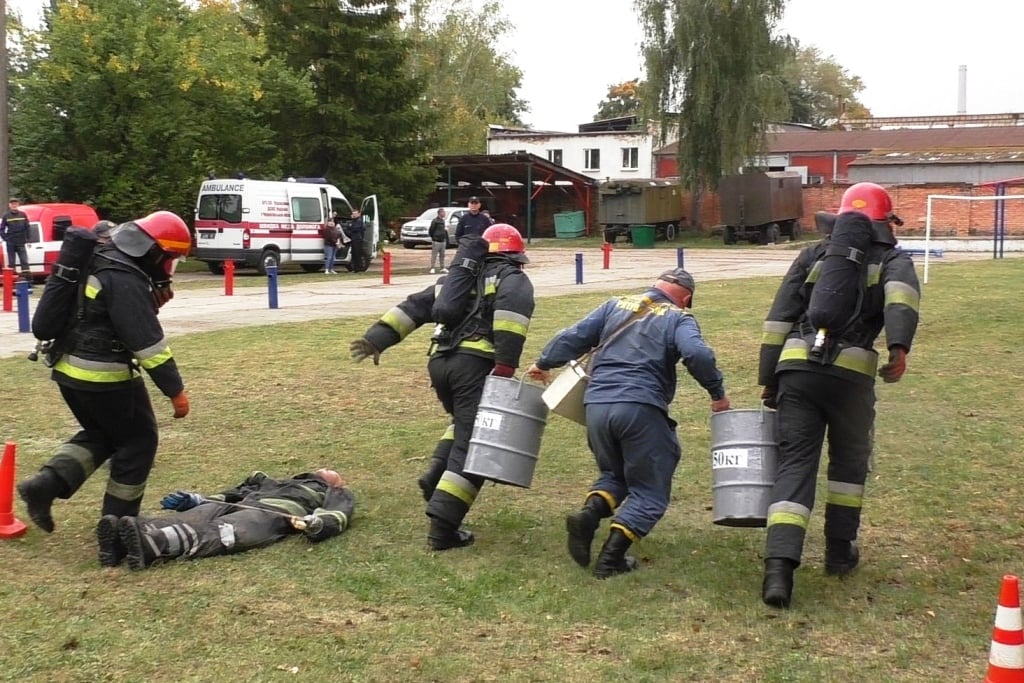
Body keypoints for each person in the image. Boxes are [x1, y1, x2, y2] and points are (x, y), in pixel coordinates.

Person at [757, 182, 920, 609]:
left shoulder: (814, 255)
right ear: (886, 222)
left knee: (795, 465)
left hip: (796, 369)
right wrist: (899, 349)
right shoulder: (892, 258)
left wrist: (768, 377)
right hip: (850, 378)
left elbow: (779, 317)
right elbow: (901, 302)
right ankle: (838, 553)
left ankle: (778, 569)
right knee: (847, 468)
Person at [525, 268, 730, 579]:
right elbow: (697, 353)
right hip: (639, 407)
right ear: (686, 299)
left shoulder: (615, 304)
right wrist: (717, 393)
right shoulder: (678, 317)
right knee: (650, 488)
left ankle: (588, 517)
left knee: (615, 472)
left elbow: (573, 336)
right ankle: (611, 560)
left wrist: (543, 363)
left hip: (595, 406)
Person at [349, 224, 535, 550]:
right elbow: (510, 323)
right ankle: (443, 528)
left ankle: (435, 476)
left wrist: (376, 339)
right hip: (475, 368)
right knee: (476, 447)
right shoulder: (511, 279)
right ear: (514, 255)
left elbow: (413, 308)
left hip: (441, 364)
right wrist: (504, 371)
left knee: (464, 424)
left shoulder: (453, 279)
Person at [17, 211, 193, 536]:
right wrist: (175, 391)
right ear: (153, 250)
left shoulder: (100, 254)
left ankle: (44, 484)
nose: (169, 268)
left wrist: (149, 302)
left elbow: (98, 315)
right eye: (169, 259)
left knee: (103, 434)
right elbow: (145, 341)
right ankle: (118, 525)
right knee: (139, 441)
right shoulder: (123, 275)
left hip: (69, 372)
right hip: (103, 377)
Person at [95, 468, 355, 569]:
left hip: (268, 518)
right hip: (238, 504)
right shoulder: (274, 480)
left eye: (333, 472)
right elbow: (237, 492)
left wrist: (318, 524)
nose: (328, 470)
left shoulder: (333, 492)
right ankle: (123, 538)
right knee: (195, 516)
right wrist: (201, 499)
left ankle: (155, 543)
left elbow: (338, 514)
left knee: (221, 532)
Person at [0, 197, 32, 287]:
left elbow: (27, 227)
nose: (14, 205)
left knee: (24, 261)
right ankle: (12, 283)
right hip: (11, 242)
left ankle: (28, 282)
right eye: (12, 203)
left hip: (21, 242)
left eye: (15, 203)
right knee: (11, 263)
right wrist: (6, 239)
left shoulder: (23, 214)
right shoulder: (6, 216)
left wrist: (28, 240)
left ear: (18, 205)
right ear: (9, 205)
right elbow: (1, 229)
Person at [428, 208, 449, 274]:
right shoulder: (435, 221)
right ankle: (432, 267)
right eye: (443, 212)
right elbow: (431, 230)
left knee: (442, 255)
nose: (445, 213)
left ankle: (442, 267)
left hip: (443, 240)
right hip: (436, 241)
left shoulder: (443, 221)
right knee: (434, 255)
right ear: (440, 213)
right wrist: (434, 237)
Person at [347, 209, 367, 273]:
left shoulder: (359, 221)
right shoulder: (352, 221)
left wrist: (351, 228)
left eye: (355, 213)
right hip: (353, 239)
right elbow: (348, 228)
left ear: (359, 214)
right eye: (353, 213)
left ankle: (359, 268)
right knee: (354, 254)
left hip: (358, 239)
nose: (354, 215)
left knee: (357, 254)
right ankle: (355, 268)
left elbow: (356, 228)